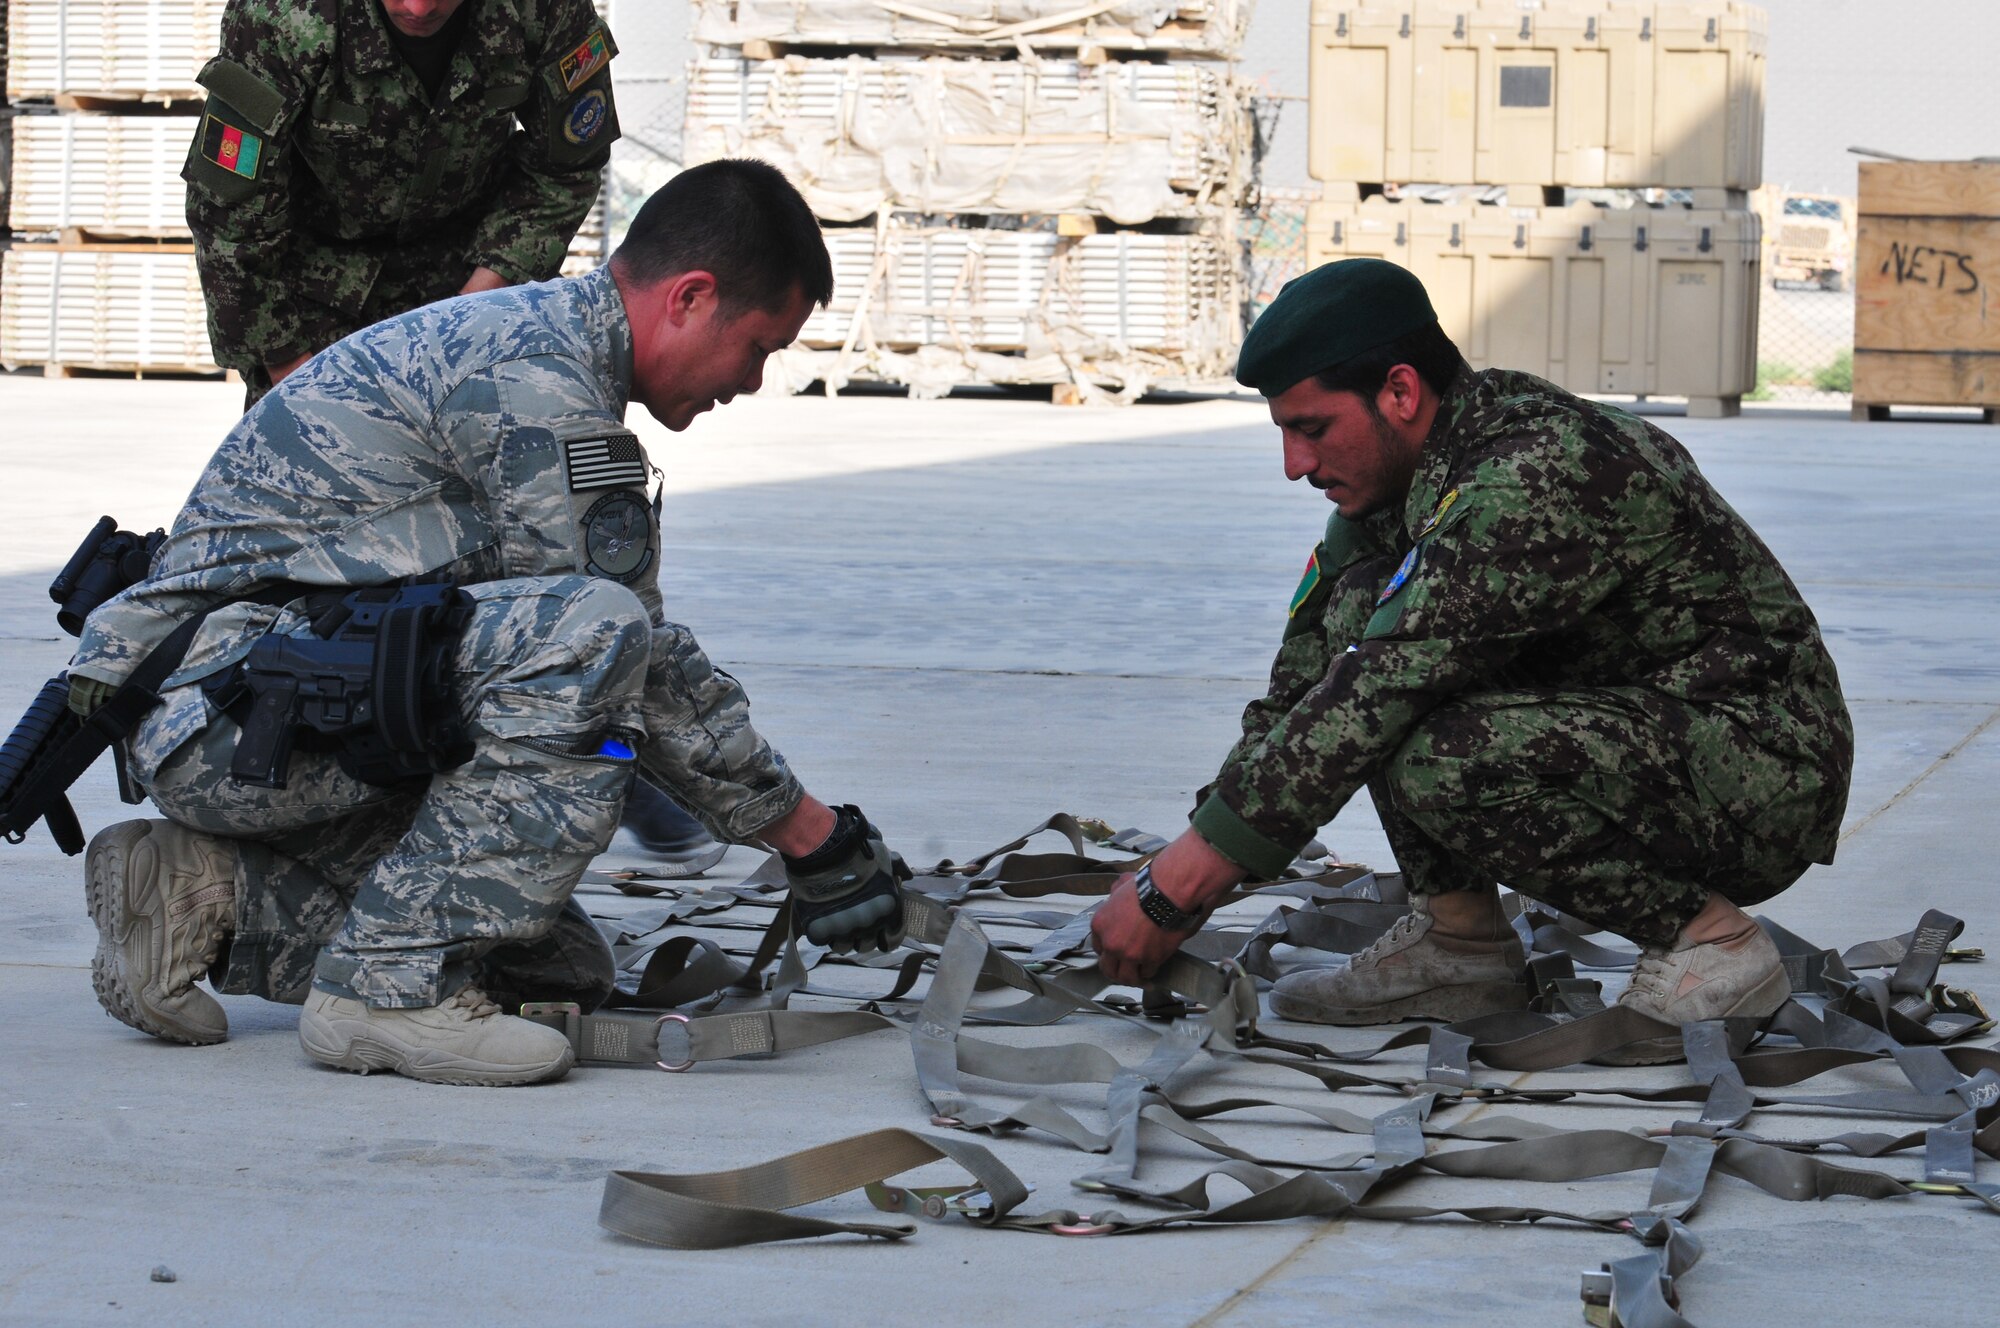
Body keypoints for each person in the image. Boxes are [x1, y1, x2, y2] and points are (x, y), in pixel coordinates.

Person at [68, 160, 907, 1087]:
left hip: (270, 710)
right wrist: (813, 839)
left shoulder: (542, 345)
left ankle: (199, 898)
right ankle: (385, 996)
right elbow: (631, 655)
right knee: (594, 629)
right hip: (231, 718)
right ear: (691, 298)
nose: (750, 382)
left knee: (554, 974)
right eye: (759, 347)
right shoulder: (537, 386)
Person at [1089, 258, 1853, 1064]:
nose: (1294, 464)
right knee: (1365, 653)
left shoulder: (1534, 471)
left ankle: (1714, 944)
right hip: (1644, 735)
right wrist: (1189, 856)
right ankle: (1461, 944)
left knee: (1426, 740)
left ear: (1401, 393)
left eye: (1310, 428)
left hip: (1760, 768)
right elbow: (1309, 690)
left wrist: (1183, 885)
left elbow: (1384, 686)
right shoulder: (1401, 487)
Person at [185, 0, 621, 407]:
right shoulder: (278, 15)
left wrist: (468, 316)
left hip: (477, 271)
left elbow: (566, 167)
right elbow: (229, 211)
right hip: (317, 291)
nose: (419, 8)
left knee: (534, 452)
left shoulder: (543, 8)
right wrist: (296, 380)